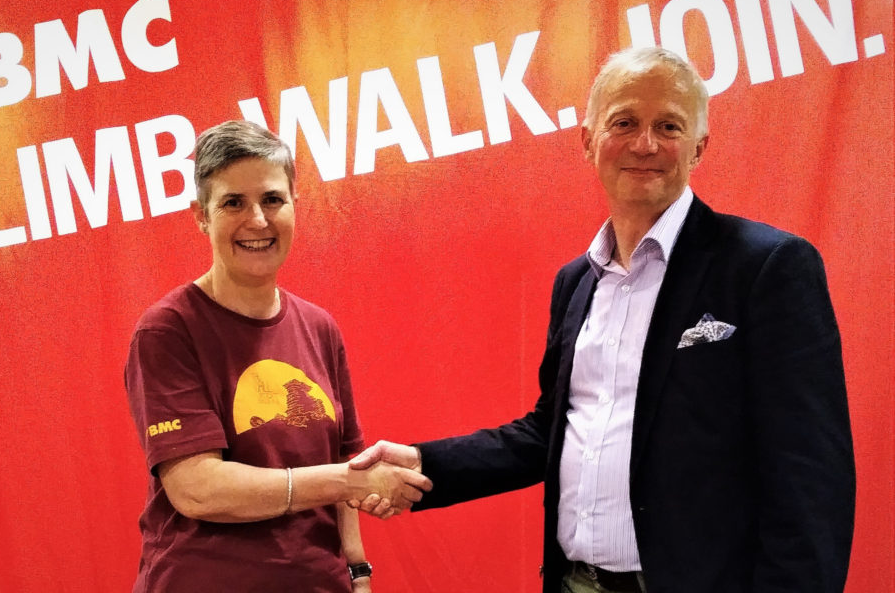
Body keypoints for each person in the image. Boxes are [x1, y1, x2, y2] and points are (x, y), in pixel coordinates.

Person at [350, 47, 855, 593]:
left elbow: (811, 472)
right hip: (577, 583)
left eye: (669, 126)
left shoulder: (766, 266)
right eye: (625, 122)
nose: (645, 144)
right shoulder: (576, 282)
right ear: (588, 141)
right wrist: (423, 464)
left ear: (699, 147)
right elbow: (550, 432)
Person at [124, 120, 431, 592]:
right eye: (233, 202)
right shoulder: (167, 331)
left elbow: (346, 463)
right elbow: (197, 489)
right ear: (200, 216)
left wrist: (358, 573)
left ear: (294, 205)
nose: (258, 221)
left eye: (272, 199)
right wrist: (348, 482)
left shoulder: (319, 327)